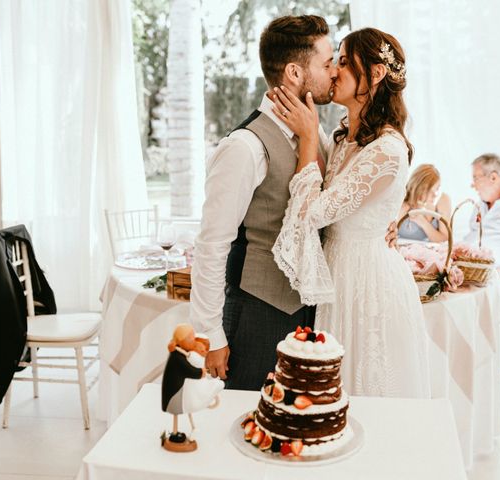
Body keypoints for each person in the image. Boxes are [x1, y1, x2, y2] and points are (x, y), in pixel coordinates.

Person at [189, 16, 397, 392]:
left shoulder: (312, 129)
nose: (334, 72)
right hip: (258, 311)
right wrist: (211, 335)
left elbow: (342, 192)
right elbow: (211, 245)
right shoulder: (244, 147)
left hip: (312, 310)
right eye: (327, 62)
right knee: (250, 423)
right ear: (295, 72)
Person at [272, 28, 430, 397]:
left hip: (369, 282)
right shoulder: (344, 139)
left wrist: (309, 139)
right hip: (338, 274)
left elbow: (312, 213)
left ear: (375, 74)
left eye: (344, 62)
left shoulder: (387, 149)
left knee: (369, 388)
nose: (334, 72)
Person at [398, 164, 451, 242]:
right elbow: (385, 235)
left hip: (428, 251)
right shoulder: (401, 199)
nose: (434, 195)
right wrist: (398, 218)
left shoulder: (442, 200)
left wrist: (423, 222)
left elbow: (444, 240)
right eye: (429, 191)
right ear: (419, 188)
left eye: (437, 189)